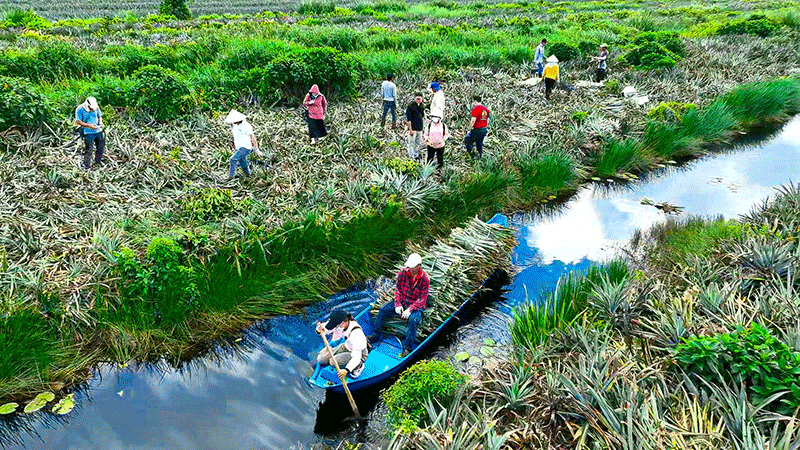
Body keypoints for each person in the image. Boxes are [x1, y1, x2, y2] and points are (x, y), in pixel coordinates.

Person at [370, 253, 429, 358]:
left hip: (415, 306)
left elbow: (422, 299)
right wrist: (398, 304)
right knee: (383, 310)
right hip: (403, 301)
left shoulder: (425, 278)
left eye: (413, 267)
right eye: (409, 266)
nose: (410, 269)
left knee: (413, 321)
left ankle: (407, 347)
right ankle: (375, 335)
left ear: (418, 266)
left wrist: (410, 309)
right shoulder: (403, 272)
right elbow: (398, 289)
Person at [316, 309, 369, 380]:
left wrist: (346, 370)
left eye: (336, 326)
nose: (335, 328)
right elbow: (326, 327)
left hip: (359, 353)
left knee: (333, 361)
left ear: (343, 322)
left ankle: (359, 366)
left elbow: (356, 357)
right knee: (321, 358)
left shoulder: (356, 334)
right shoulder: (340, 324)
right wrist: (319, 329)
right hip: (347, 346)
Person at [224, 109, 262, 180]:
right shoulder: (235, 125)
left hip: (245, 147)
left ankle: (231, 177)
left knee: (233, 160)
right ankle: (249, 175)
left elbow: (253, 137)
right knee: (242, 162)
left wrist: (256, 149)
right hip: (239, 147)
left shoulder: (246, 126)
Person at [74, 97, 105, 170]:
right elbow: (78, 121)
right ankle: (87, 166)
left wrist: (100, 122)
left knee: (100, 147)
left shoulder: (96, 107)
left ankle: (98, 163)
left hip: (98, 131)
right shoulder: (79, 109)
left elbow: (99, 116)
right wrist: (89, 126)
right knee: (89, 150)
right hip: (88, 132)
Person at [405, 93, 425, 159]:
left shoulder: (422, 106)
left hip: (419, 128)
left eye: (420, 99)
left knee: (418, 143)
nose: (418, 100)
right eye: (417, 99)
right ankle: (411, 157)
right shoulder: (411, 106)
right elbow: (409, 120)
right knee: (411, 144)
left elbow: (422, 116)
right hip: (413, 128)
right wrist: (410, 129)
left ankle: (416, 155)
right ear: (414, 98)